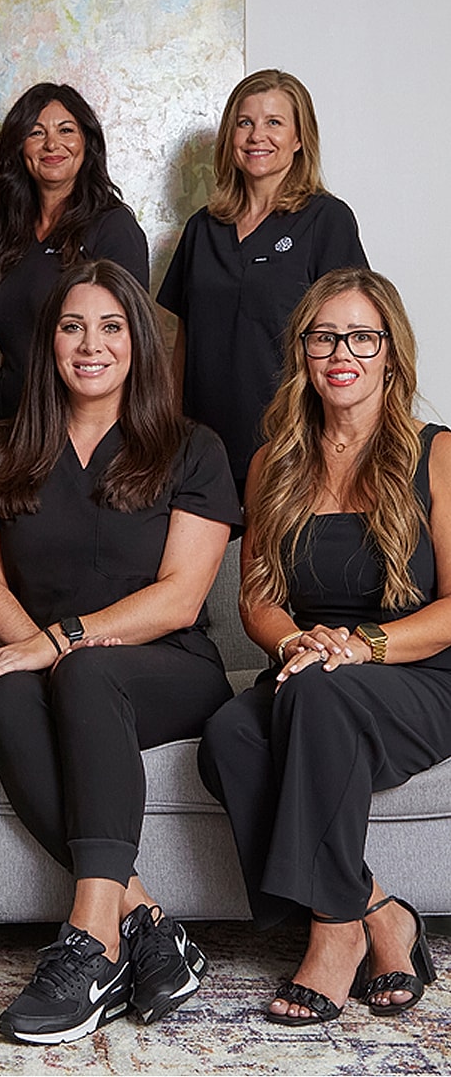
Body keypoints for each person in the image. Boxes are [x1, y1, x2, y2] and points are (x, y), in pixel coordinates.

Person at [0, 260, 241, 1044]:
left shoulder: (191, 448)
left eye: (112, 327)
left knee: (78, 670)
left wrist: (59, 642)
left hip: (167, 668)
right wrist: (29, 653)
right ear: (49, 342)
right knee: (4, 693)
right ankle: (146, 918)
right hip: (47, 663)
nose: (92, 344)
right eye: (73, 326)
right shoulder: (2, 447)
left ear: (138, 341)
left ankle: (90, 943)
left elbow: (182, 597)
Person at [198, 267, 450, 1026]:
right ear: (303, 352)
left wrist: (361, 646)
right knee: (228, 737)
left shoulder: (437, 453)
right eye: (324, 335)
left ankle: (333, 933)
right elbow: (256, 601)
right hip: (314, 668)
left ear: (391, 354)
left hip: (418, 670)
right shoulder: (274, 460)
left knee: (311, 693)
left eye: (362, 336)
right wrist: (299, 641)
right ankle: (380, 912)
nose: (343, 351)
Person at [157, 69, 368, 497]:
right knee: (207, 565)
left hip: (290, 445)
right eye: (245, 122)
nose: (257, 135)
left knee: (270, 563)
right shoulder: (202, 228)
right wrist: (166, 427)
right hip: (201, 447)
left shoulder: (327, 221)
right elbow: (183, 343)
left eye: (274, 122)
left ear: (299, 138)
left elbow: (351, 342)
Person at [0, 82, 149, 422]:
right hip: (7, 426)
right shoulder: (13, 232)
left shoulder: (114, 229)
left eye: (66, 130)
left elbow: (128, 347)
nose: (52, 144)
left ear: (86, 143)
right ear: (19, 147)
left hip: (74, 430)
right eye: (36, 132)